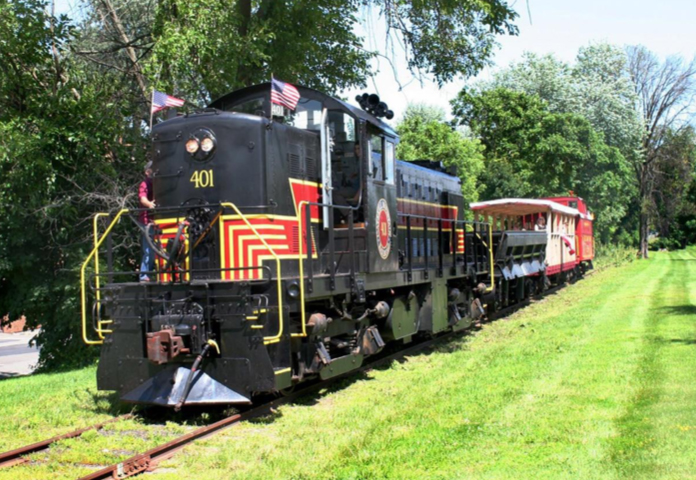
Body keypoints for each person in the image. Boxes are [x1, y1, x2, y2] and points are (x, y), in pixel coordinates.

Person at [139, 161, 156, 281]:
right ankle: (144, 275)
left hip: (158, 220)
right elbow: (142, 199)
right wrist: (150, 204)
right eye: (152, 168)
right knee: (149, 250)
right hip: (146, 221)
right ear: (147, 172)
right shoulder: (144, 183)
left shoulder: (159, 183)